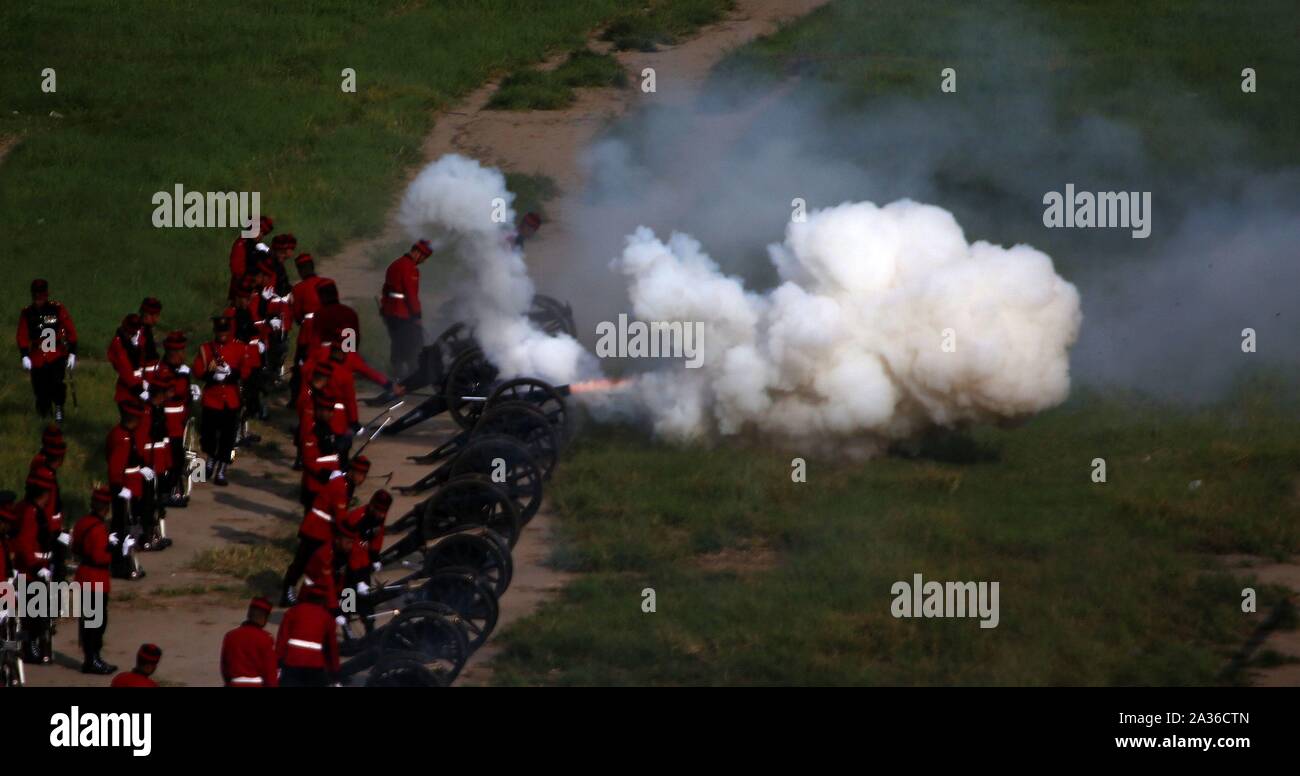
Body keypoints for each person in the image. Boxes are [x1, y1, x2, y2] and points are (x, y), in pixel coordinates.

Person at [193, 310, 254, 486]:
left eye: (225, 332)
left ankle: (223, 468)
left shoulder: (239, 347)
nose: (222, 335)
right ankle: (210, 459)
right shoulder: (206, 349)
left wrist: (232, 373)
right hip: (212, 399)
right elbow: (198, 370)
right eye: (219, 332)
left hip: (231, 399)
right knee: (208, 436)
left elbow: (246, 370)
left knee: (229, 438)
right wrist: (211, 374)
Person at [11, 466, 59, 664]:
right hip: (30, 571)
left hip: (37, 568)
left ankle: (34, 647)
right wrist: (37, 566)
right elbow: (24, 542)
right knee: (33, 616)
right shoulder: (31, 512)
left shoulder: (29, 508)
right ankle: (29, 648)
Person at [16, 278, 78, 422]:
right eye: (36, 295)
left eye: (41, 295)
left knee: (57, 382)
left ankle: (58, 408)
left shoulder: (57, 309)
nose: (38, 299)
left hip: (55, 353)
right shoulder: (27, 313)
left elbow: (70, 330)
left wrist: (72, 352)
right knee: (40, 387)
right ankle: (43, 412)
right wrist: (24, 355)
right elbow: (22, 335)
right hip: (37, 355)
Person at [72, 487, 117, 674]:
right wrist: (114, 550)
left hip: (83, 575)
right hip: (96, 579)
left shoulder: (82, 522)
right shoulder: (99, 529)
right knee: (96, 624)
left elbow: (75, 547)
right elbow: (100, 557)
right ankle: (93, 660)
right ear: (105, 507)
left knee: (88, 622)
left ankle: (90, 658)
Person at [338, 490, 391, 633]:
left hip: (363, 559)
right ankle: (346, 624)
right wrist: (358, 578)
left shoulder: (380, 516)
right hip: (348, 559)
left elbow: (377, 536)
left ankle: (369, 626)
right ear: (372, 506)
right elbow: (351, 547)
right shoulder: (356, 518)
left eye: (384, 511)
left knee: (365, 597)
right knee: (348, 592)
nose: (382, 514)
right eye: (379, 510)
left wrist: (375, 557)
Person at [105, 399, 147, 579]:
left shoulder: (123, 434)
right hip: (124, 488)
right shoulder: (122, 437)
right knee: (122, 528)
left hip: (128, 485)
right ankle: (120, 564)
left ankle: (123, 563)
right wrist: (119, 487)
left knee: (125, 527)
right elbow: (116, 467)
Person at [380, 240, 432, 377]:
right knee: (413, 345)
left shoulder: (395, 264)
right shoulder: (410, 268)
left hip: (390, 312)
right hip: (403, 313)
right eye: (424, 257)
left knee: (397, 343)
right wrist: (417, 315)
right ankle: (411, 376)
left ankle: (397, 374)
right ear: (417, 253)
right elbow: (411, 294)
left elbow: (385, 290)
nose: (423, 261)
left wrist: (384, 308)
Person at [275, 584, 339, 687]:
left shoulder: (293, 611)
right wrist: (334, 671)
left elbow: (282, 640)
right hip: (315, 666)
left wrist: (278, 663)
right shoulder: (327, 618)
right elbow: (332, 649)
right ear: (323, 600)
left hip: (292, 662)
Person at [156, 331, 193, 507]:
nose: (183, 355)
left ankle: (172, 490)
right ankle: (165, 493)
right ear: (173, 354)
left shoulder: (179, 369)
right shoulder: (163, 370)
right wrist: (183, 377)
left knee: (177, 459)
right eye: (181, 352)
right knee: (169, 460)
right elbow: (175, 391)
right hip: (167, 422)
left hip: (178, 421)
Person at [138, 372, 174, 550]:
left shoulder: (158, 409)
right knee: (148, 502)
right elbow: (141, 441)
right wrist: (144, 465)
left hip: (158, 460)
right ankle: (147, 536)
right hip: (149, 461)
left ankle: (154, 533)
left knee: (157, 500)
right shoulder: (146, 412)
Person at [220, 597, 279, 687]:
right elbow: (270, 671)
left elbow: (225, 667)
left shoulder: (231, 636)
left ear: (249, 614)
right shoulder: (266, 638)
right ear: (265, 618)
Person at [107, 313, 148, 407]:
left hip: (138, 382)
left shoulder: (133, 341)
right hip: (128, 389)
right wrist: (138, 389)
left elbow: (141, 361)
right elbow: (125, 368)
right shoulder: (119, 343)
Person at [228, 215, 273, 301]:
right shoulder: (241, 244)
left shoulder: (253, 245)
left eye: (263, 233)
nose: (261, 236)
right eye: (260, 231)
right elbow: (237, 270)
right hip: (242, 291)